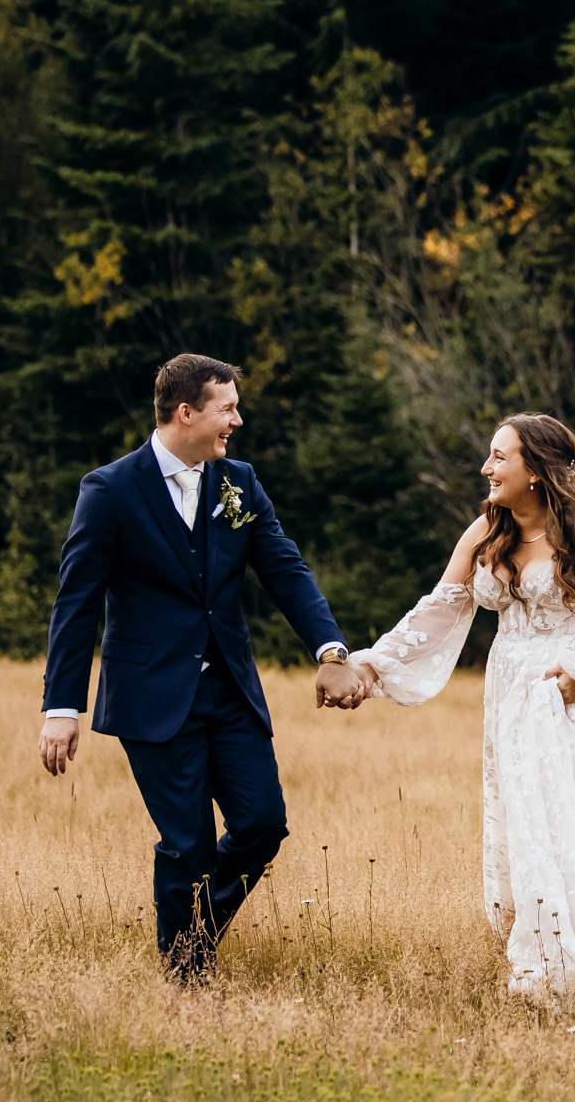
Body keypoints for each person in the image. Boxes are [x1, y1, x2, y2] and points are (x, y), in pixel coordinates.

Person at [351, 412, 575, 1005]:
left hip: (572, 695)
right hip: (512, 694)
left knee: (572, 822)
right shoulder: (488, 530)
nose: (486, 468)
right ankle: (552, 945)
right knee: (525, 819)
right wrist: (370, 664)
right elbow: (439, 610)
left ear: (538, 469)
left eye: (500, 457)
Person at [37, 353, 367, 980]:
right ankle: (187, 976)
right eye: (227, 408)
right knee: (186, 843)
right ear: (186, 413)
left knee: (263, 825)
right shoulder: (108, 489)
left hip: (231, 693)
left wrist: (330, 651)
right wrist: (61, 708)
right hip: (150, 695)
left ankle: (188, 945)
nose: (236, 421)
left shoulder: (238, 483)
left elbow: (286, 571)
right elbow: (75, 604)